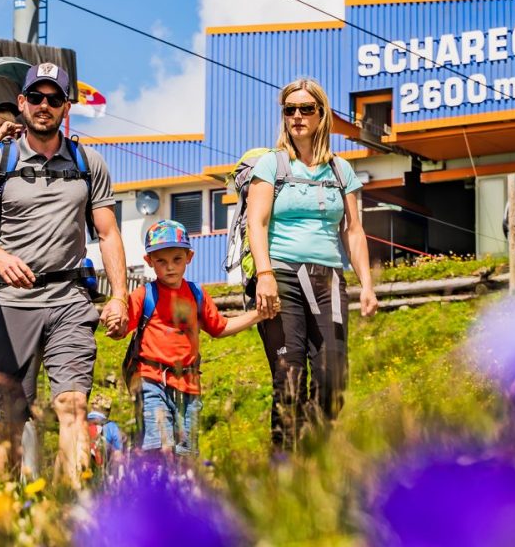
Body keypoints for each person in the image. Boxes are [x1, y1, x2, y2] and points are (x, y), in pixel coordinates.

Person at [0, 61, 129, 486]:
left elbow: (108, 234)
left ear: (65, 108)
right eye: (36, 97)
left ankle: (67, 513)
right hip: (12, 302)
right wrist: (0, 258)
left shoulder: (89, 163)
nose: (44, 106)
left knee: (72, 405)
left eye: (54, 99)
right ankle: (7, 522)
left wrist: (120, 296)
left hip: (70, 298)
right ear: (22, 103)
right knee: (11, 418)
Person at [244, 78, 379, 452]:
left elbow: (354, 231)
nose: (298, 116)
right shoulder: (271, 165)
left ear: (322, 115)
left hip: (329, 278)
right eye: (290, 110)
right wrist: (265, 275)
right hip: (282, 275)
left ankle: (316, 456)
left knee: (332, 375)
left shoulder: (341, 171)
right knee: (289, 374)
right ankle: (284, 466)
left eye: (306, 109)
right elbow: (258, 222)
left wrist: (366, 284)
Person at [112, 220, 266, 457]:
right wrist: (114, 322)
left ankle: (181, 491)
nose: (170, 267)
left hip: (189, 386)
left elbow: (220, 327)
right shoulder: (145, 294)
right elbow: (122, 326)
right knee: (158, 447)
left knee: (186, 455)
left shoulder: (196, 294)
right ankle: (155, 490)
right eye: (161, 261)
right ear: (149, 261)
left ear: (189, 257)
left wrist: (257, 315)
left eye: (177, 259)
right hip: (152, 381)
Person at [86, 394, 125, 471]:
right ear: (107, 411)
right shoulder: (111, 426)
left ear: (92, 407)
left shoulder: (80, 423)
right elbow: (118, 455)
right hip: (101, 469)